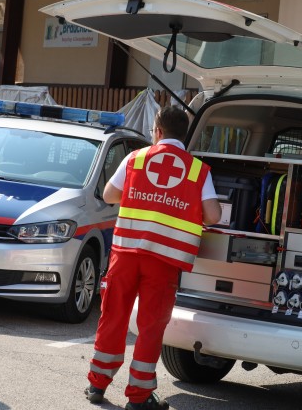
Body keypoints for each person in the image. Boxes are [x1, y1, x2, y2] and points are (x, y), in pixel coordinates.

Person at [84, 105, 221, 410]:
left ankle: (97, 384)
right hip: (164, 261)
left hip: (126, 254)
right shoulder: (197, 169)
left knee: (113, 316)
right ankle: (139, 396)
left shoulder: (136, 158)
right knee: (150, 327)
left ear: (157, 132)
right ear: (184, 135)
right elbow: (213, 215)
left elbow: (108, 194)